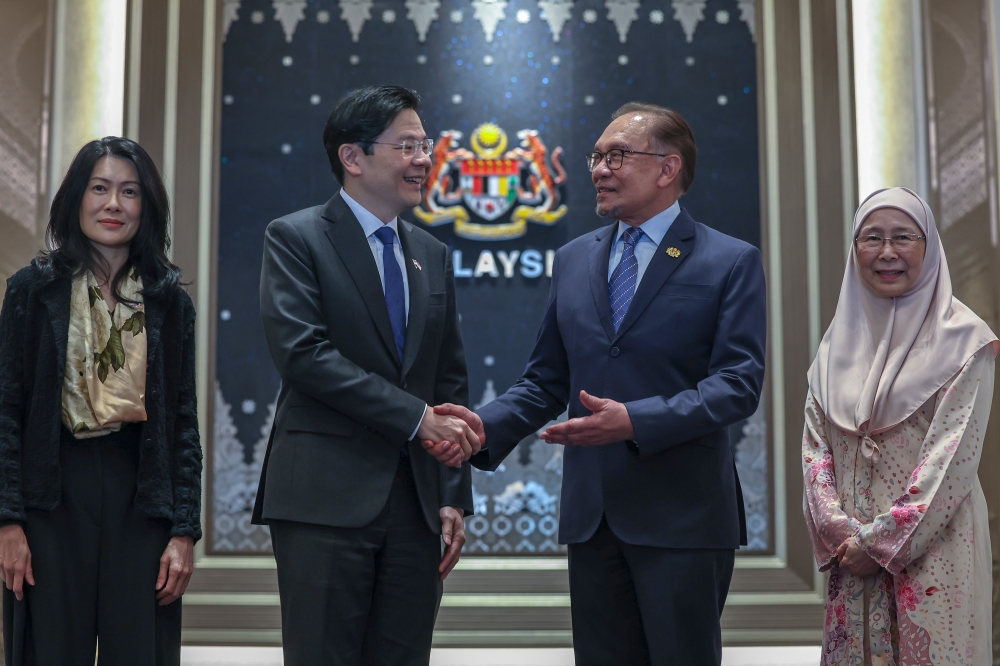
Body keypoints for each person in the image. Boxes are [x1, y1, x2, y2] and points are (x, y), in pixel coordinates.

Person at [426, 102, 767, 665]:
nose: (599, 170)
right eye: (596, 157)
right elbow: (544, 381)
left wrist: (636, 420)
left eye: (617, 156)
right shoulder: (575, 257)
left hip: (683, 519)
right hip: (593, 519)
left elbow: (738, 384)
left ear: (667, 168)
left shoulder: (729, 260)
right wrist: (482, 426)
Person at [252, 85, 479, 666]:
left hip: (416, 506)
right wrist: (416, 418)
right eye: (407, 145)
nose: (424, 159)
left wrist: (453, 495)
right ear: (353, 158)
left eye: (425, 145)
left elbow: (447, 382)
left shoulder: (432, 252)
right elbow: (305, 356)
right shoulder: (296, 237)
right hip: (323, 501)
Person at [0, 136, 202, 665]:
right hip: (51, 494)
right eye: (100, 188)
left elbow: (183, 422)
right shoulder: (32, 290)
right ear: (76, 199)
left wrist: (184, 531)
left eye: (129, 191)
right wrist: (7, 521)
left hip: (140, 492)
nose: (114, 204)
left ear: (147, 206)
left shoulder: (169, 302)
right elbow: (6, 410)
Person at [803, 187, 997, 665]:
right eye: (872, 238)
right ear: (854, 251)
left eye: (903, 237)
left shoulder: (965, 341)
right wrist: (842, 534)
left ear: (928, 247)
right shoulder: (835, 347)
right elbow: (815, 452)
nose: (886, 252)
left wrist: (880, 542)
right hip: (852, 558)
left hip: (934, 552)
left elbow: (950, 461)